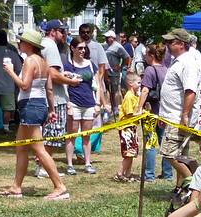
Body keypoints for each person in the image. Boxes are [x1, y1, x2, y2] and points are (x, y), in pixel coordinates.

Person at [0, 28, 69, 200]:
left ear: (28, 44)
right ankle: (16, 187)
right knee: (21, 147)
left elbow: (24, 85)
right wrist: (51, 109)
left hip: (30, 106)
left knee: (39, 149)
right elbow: (49, 89)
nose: (19, 44)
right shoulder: (44, 62)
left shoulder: (30, 61)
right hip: (38, 106)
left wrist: (10, 72)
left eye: (21, 41)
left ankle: (60, 187)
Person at [38, 20, 80, 177]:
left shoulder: (43, 45)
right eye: (62, 31)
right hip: (55, 99)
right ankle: (43, 168)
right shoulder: (51, 46)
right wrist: (71, 82)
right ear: (52, 32)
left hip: (45, 97)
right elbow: (53, 75)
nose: (65, 35)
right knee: (52, 136)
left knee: (47, 135)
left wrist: (64, 75)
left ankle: (42, 166)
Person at [158, 28, 200, 186]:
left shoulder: (188, 63)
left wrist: (184, 115)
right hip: (172, 116)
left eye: (170, 42)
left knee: (169, 154)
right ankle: (180, 188)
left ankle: (195, 183)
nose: (167, 45)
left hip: (178, 118)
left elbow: (190, 91)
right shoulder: (179, 61)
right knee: (180, 155)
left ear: (181, 44)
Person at [64, 36, 108, 174]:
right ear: (72, 48)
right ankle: (70, 164)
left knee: (86, 135)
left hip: (89, 103)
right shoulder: (67, 65)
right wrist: (68, 104)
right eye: (80, 48)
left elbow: (97, 84)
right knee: (71, 135)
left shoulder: (90, 64)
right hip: (74, 103)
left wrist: (97, 103)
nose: (83, 50)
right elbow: (64, 86)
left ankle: (87, 163)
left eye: (84, 48)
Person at [138, 43, 172, 181]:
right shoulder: (167, 69)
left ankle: (149, 175)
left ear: (151, 55)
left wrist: (138, 108)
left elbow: (145, 90)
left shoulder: (150, 70)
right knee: (165, 143)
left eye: (146, 54)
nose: (145, 56)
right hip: (165, 112)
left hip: (151, 111)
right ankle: (167, 174)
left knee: (150, 144)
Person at [114, 72, 141, 182]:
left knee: (132, 152)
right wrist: (141, 114)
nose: (140, 84)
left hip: (133, 128)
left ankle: (128, 174)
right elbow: (130, 114)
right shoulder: (129, 97)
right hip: (126, 128)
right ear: (130, 83)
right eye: (138, 82)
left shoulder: (135, 96)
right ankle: (119, 173)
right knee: (128, 153)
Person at [103, 29, 131, 114]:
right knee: (105, 90)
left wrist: (121, 66)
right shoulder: (104, 46)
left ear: (113, 38)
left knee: (113, 91)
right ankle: (107, 108)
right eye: (106, 37)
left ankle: (114, 107)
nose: (106, 39)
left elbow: (127, 57)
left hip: (114, 73)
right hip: (105, 72)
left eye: (108, 37)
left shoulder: (118, 46)